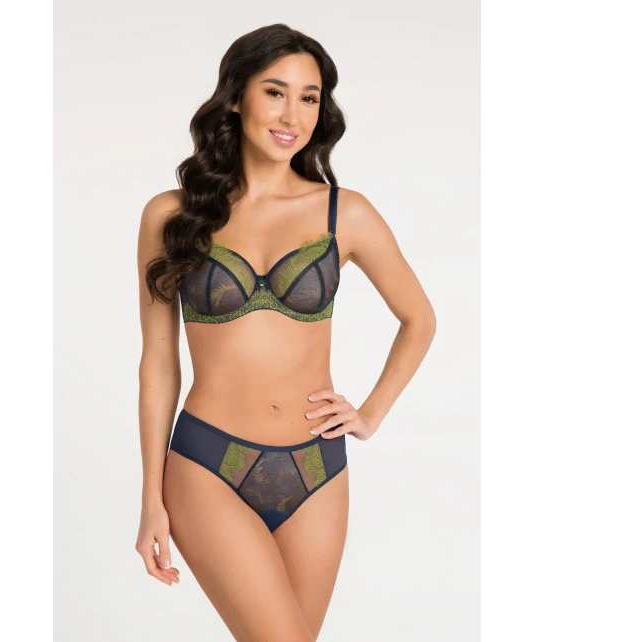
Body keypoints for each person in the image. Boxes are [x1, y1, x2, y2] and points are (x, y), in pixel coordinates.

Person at [135, 23, 436, 642]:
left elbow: (419, 318)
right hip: (208, 463)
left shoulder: (344, 212)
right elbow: (159, 363)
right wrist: (150, 497)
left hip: (317, 469)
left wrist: (370, 413)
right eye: (275, 92)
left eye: (309, 97)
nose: (292, 114)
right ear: (236, 97)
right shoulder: (172, 215)